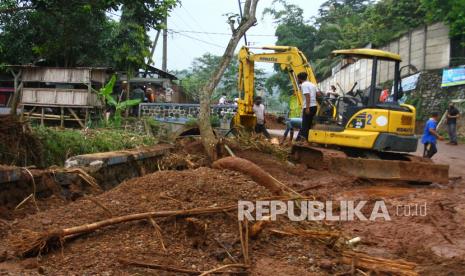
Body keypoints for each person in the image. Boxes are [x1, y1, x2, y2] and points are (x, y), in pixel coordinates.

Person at [296, 72, 318, 141]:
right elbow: (318, 94)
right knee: (309, 124)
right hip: (314, 106)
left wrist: (307, 108)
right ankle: (303, 140)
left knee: (305, 125)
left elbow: (307, 96)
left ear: (299, 79)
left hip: (308, 107)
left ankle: (303, 141)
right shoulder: (312, 84)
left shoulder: (304, 85)